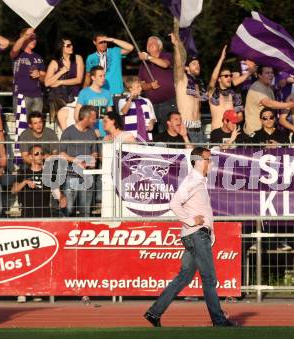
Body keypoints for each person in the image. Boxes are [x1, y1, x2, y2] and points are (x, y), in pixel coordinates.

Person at [144, 147, 235, 328]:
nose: (210, 163)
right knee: (209, 278)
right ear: (199, 161)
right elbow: (174, 203)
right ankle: (219, 320)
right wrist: (191, 221)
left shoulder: (198, 181)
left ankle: (154, 313)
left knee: (184, 277)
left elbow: (202, 210)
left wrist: (210, 232)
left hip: (196, 235)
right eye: (208, 159)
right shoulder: (193, 180)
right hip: (196, 235)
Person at [60, 105, 98, 217]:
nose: (95, 121)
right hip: (71, 173)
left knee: (85, 210)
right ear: (86, 118)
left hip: (87, 175)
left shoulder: (92, 133)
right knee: (69, 208)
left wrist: (92, 159)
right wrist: (76, 161)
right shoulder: (68, 132)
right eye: (93, 118)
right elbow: (62, 153)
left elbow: (95, 151)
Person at [208, 45, 255, 130]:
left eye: (230, 75)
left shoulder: (235, 94)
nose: (229, 77)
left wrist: (232, 120)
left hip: (232, 133)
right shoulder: (212, 92)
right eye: (226, 76)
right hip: (216, 133)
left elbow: (241, 116)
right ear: (219, 79)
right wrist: (221, 59)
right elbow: (213, 79)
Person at [170, 32, 206, 143]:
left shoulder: (198, 83)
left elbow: (198, 106)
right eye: (194, 63)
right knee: (190, 159)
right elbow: (179, 65)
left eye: (198, 64)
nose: (197, 66)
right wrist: (176, 45)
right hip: (186, 127)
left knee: (204, 159)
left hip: (198, 127)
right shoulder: (182, 79)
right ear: (187, 68)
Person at [12, 144, 67, 217]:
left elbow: (56, 192)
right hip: (27, 214)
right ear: (30, 157)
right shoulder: (23, 173)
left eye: (42, 153)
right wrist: (25, 182)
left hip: (44, 214)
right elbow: (13, 190)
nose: (40, 156)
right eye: (36, 154)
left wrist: (62, 198)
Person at [244, 66, 294, 136]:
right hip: (254, 131)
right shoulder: (256, 87)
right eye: (267, 73)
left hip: (265, 131)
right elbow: (268, 103)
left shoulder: (267, 87)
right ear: (259, 75)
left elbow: (271, 90)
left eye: (272, 73)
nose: (271, 75)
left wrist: (278, 85)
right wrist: (289, 105)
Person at [45, 38, 84, 135]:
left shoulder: (78, 58)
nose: (72, 47)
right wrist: (61, 72)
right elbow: (47, 83)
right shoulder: (55, 62)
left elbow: (78, 79)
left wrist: (61, 82)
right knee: (63, 129)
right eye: (68, 45)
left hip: (75, 98)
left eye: (71, 44)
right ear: (61, 48)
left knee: (76, 125)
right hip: (61, 101)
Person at [138, 36, 176, 133]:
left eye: (152, 43)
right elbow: (141, 85)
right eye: (148, 44)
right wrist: (150, 86)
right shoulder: (143, 64)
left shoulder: (166, 56)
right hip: (151, 106)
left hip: (168, 103)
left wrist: (148, 57)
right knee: (153, 134)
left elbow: (165, 64)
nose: (149, 45)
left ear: (160, 46)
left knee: (169, 131)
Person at [84, 33, 134, 100]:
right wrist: (84, 93)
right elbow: (88, 77)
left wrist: (112, 40)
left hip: (117, 94)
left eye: (105, 42)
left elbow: (130, 48)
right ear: (94, 42)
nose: (103, 44)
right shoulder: (91, 58)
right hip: (100, 95)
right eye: (101, 42)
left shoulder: (115, 51)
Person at [10, 28, 46, 114]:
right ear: (24, 38)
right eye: (31, 38)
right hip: (21, 96)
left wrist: (39, 75)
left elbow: (45, 78)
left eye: (35, 38)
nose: (34, 40)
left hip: (37, 96)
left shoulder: (38, 57)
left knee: (37, 125)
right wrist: (25, 36)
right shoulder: (18, 54)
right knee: (22, 126)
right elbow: (14, 50)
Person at [75, 65, 113, 137]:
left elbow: (110, 115)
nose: (103, 78)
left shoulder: (107, 93)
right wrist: (91, 129)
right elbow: (77, 116)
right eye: (100, 76)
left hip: (105, 134)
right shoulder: (84, 93)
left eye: (104, 76)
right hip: (89, 134)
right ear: (93, 78)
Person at [118, 76, 156, 143]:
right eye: (138, 87)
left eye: (140, 86)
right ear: (130, 88)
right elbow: (124, 112)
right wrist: (130, 98)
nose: (141, 89)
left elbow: (153, 117)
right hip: (130, 138)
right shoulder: (123, 101)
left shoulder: (146, 101)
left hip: (146, 136)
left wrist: (152, 122)